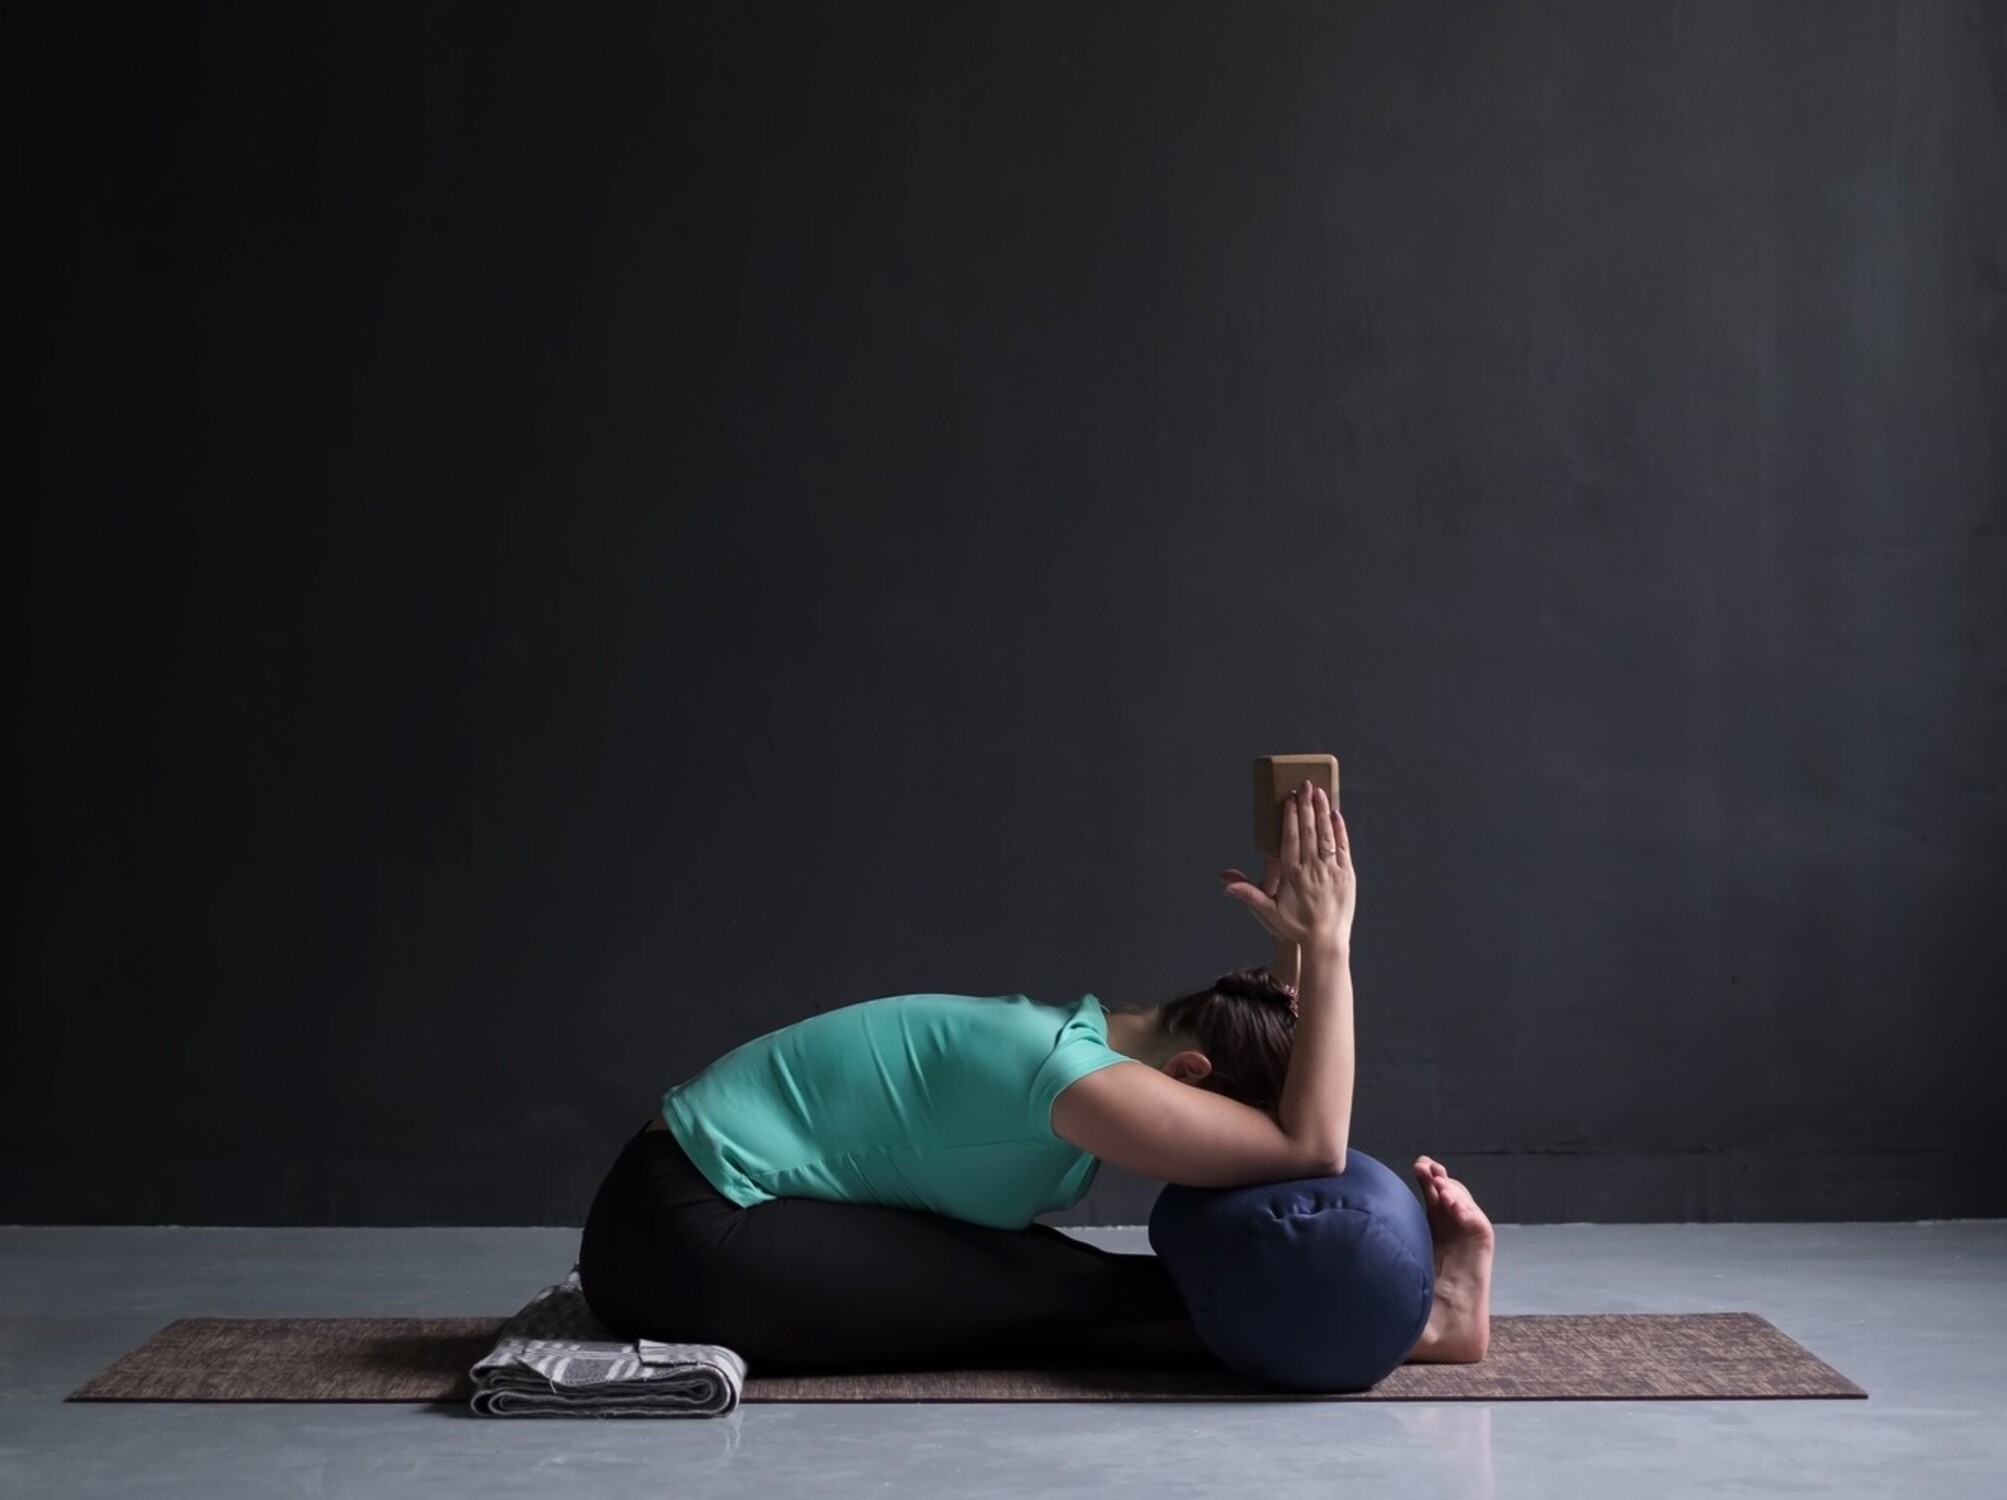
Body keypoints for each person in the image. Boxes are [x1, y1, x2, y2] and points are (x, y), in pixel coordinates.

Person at [576, 780, 1494, 1372]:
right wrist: (1329, 946)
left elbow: (1270, 1067)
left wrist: (1293, 956)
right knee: (1068, 1300)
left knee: (1050, 1279)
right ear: (1186, 1072)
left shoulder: (1078, 1037)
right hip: (682, 1237)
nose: (1216, 1159)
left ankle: (1421, 1328)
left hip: (690, 1204)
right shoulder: (1064, 1074)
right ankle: (1415, 1334)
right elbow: (1308, 1144)